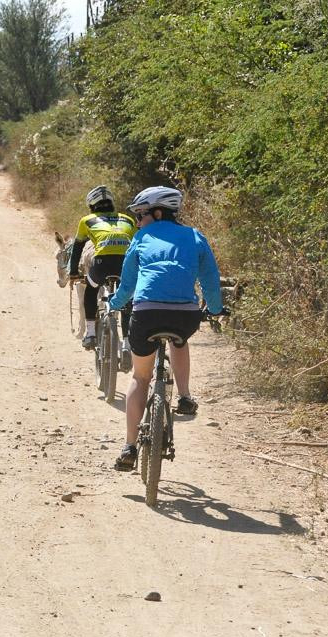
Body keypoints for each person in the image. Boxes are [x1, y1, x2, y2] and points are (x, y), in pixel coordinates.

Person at [107, 186, 224, 471]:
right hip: (185, 315)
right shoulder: (195, 236)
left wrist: (115, 303)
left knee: (140, 376)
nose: (138, 221)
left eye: (141, 215)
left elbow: (128, 283)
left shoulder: (141, 238)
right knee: (180, 341)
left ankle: (129, 446)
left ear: (157, 213)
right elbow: (210, 277)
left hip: (146, 313)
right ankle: (184, 396)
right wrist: (217, 309)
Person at [68, 186, 136, 360]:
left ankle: (90, 333)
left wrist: (73, 272)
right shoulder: (128, 219)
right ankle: (128, 344)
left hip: (101, 264)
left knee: (91, 289)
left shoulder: (87, 220)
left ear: (92, 206)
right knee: (127, 297)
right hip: (125, 264)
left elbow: (78, 247)